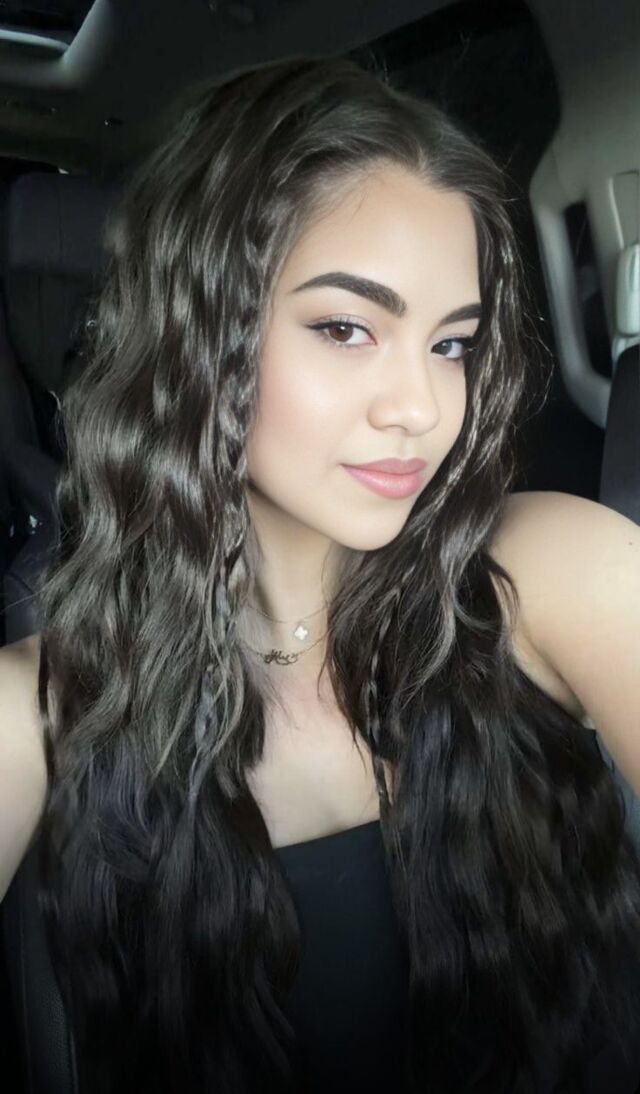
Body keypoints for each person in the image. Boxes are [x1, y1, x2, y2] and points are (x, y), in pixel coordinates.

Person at [1, 53, 640, 1094]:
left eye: (452, 344)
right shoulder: (42, 707)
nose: (421, 408)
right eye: (346, 328)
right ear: (198, 330)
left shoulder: (547, 567)